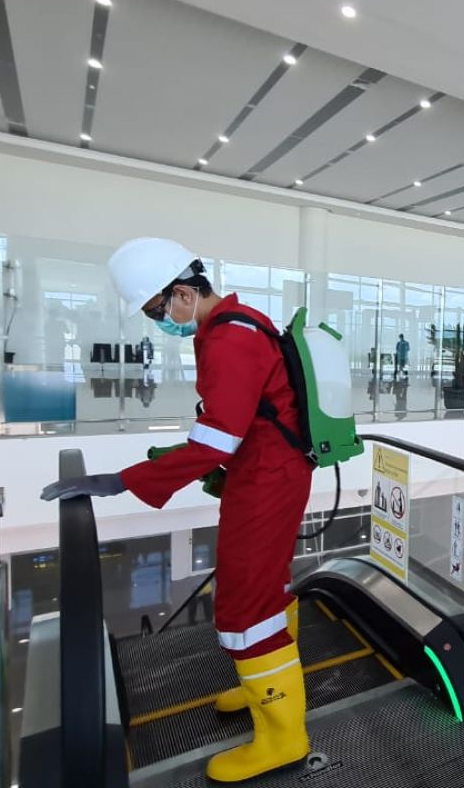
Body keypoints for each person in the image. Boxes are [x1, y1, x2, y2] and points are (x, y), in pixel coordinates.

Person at [39, 238, 312, 783]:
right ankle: (262, 689)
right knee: (262, 589)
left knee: (244, 607)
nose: (160, 323)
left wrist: (121, 481)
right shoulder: (235, 323)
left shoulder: (230, 339)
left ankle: (284, 736)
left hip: (266, 480)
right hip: (266, 473)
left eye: (158, 311)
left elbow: (215, 441)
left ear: (183, 294)